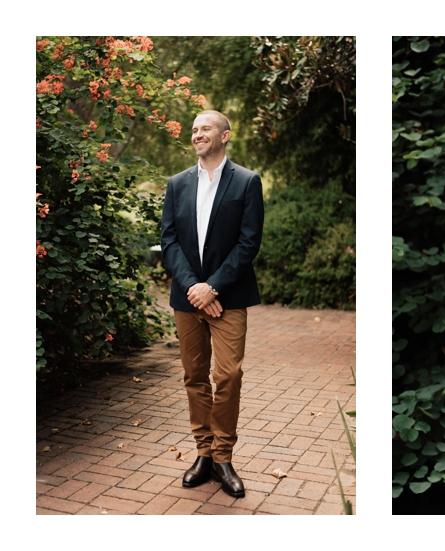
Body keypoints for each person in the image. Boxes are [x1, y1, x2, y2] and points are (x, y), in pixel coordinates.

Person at [159, 111, 264, 498]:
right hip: (188, 299)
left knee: (229, 375)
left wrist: (214, 288)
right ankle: (203, 453)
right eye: (194, 130)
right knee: (194, 375)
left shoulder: (247, 181)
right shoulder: (176, 183)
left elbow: (248, 243)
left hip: (230, 298)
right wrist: (194, 289)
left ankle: (223, 456)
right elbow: (169, 241)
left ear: (225, 135)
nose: (197, 134)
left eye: (205, 128)